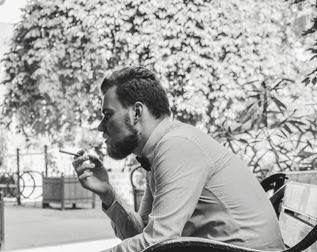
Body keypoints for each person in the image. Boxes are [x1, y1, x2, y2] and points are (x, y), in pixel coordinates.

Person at [72, 66, 285, 252]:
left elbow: (157, 243)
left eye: (107, 114)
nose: (100, 126)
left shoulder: (177, 147)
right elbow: (147, 236)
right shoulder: (162, 148)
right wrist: (108, 194)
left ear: (137, 112)